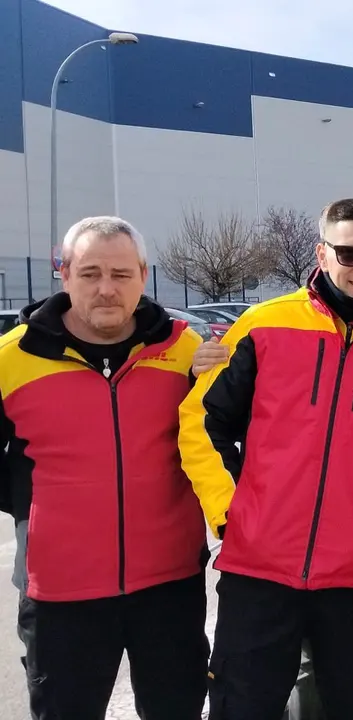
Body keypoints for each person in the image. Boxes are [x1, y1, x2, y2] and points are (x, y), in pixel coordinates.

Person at [179, 198, 353, 719]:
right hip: (258, 572)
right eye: (349, 254)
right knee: (241, 708)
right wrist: (230, 514)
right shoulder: (262, 326)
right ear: (322, 252)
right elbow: (200, 423)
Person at [0, 217, 209, 719]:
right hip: (60, 592)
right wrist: (33, 507)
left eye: (121, 274)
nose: (107, 289)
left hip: (170, 585)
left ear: (142, 274)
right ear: (64, 273)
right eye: (91, 273)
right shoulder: (13, 358)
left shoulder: (187, 353)